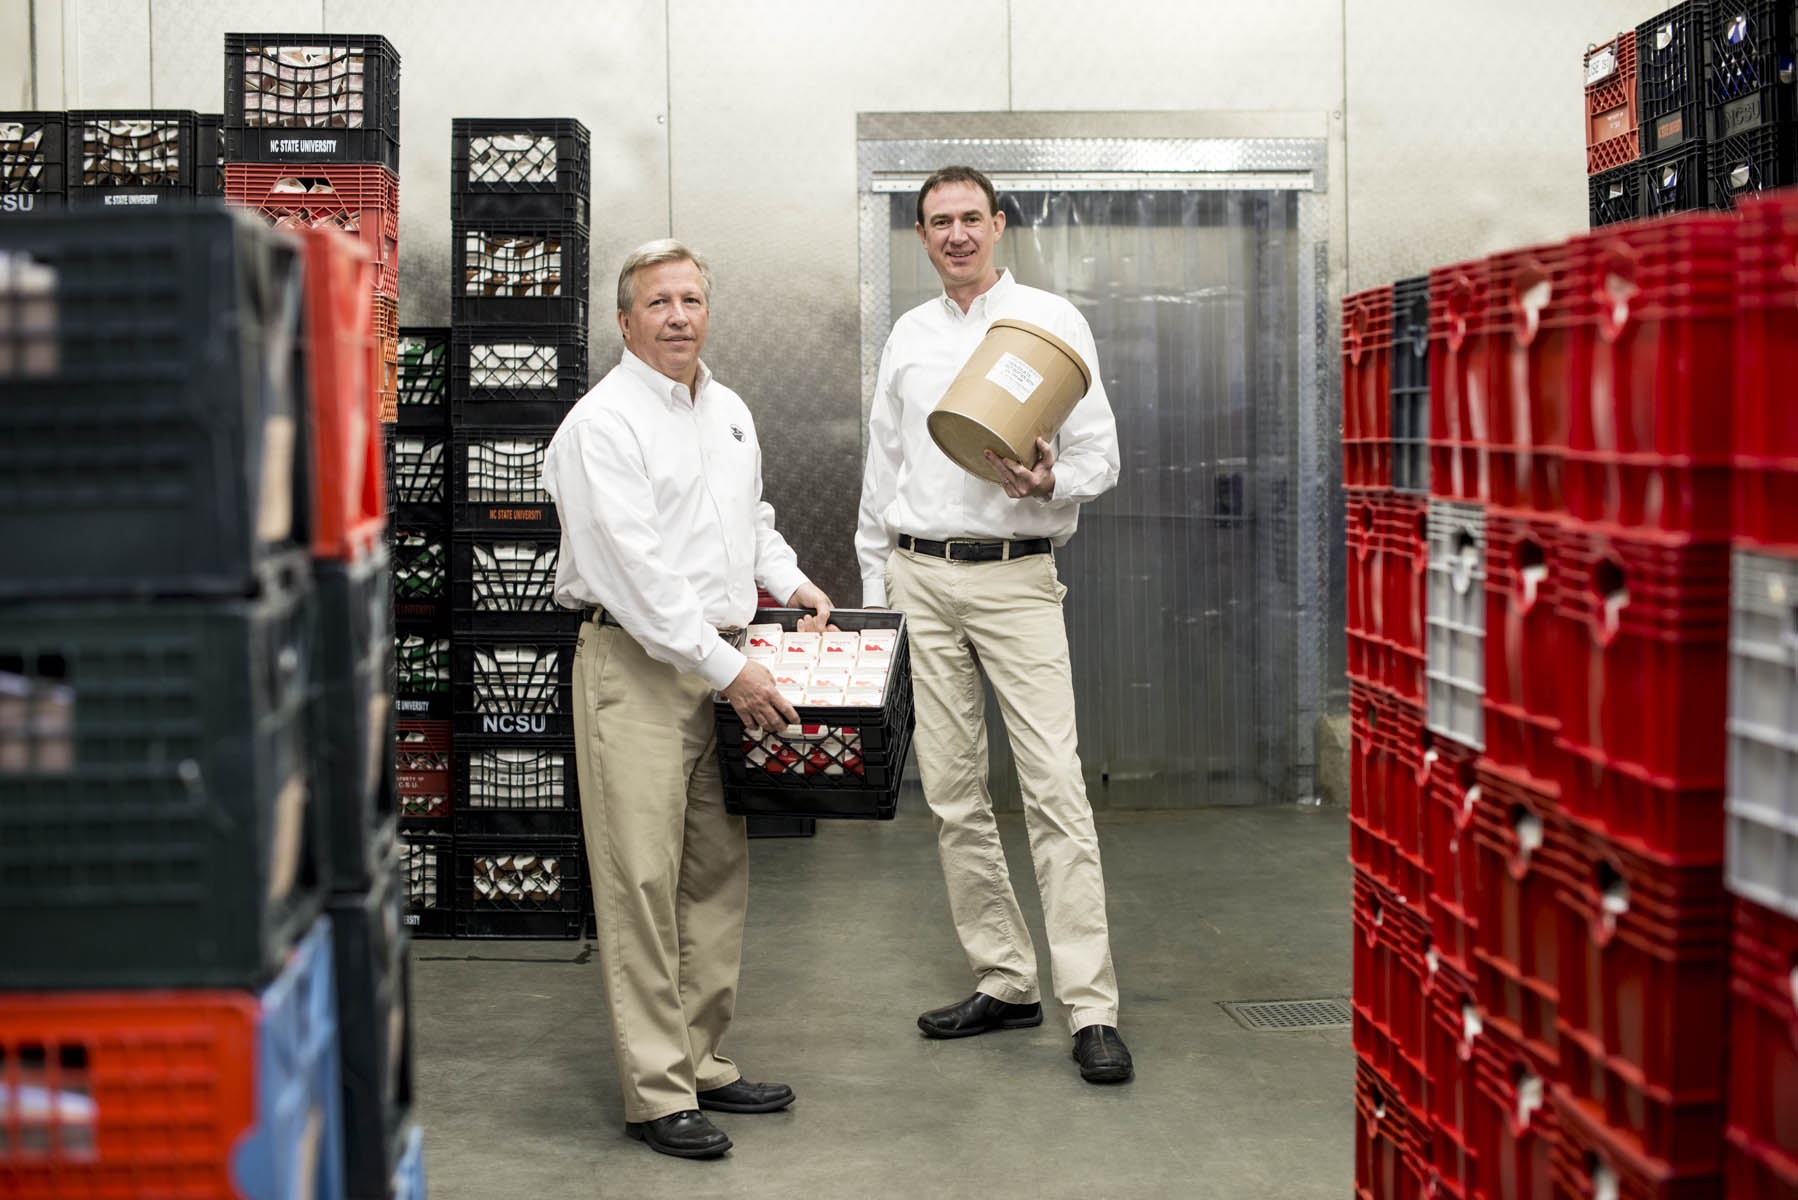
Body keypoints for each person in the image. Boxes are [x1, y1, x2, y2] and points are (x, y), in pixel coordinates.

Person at [543, 238, 835, 1159]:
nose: (678, 316)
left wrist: (789, 585)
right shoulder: (604, 424)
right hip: (639, 667)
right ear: (624, 320)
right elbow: (637, 577)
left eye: (691, 300)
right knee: (640, 879)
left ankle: (704, 1060)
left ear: (709, 311)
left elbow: (748, 522)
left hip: (720, 663)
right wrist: (730, 668)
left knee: (715, 870)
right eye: (658, 302)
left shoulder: (731, 411)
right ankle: (655, 1091)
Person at [854, 166, 1132, 1084]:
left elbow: (1101, 454)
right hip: (919, 577)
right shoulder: (908, 334)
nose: (958, 235)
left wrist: (1054, 481)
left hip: (1015, 579)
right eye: (940, 222)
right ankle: (1006, 978)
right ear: (924, 236)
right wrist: (876, 594)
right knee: (952, 792)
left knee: (1055, 786)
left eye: (972, 218)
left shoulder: (1049, 323)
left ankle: (1090, 1006)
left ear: (1000, 225)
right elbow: (883, 468)